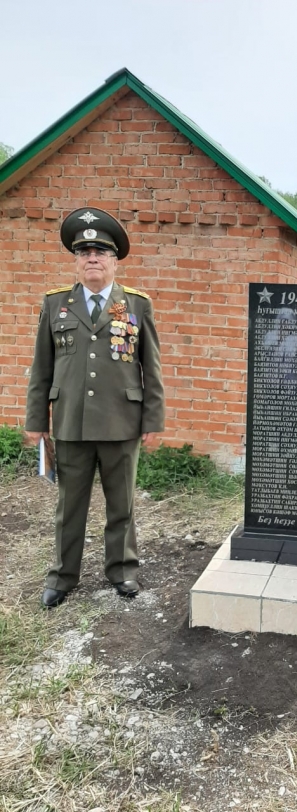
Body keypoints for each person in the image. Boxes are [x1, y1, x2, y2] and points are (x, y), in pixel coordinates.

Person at [25, 207, 165, 608]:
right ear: (75, 261)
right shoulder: (56, 304)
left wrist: (153, 420)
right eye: (84, 252)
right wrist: (36, 421)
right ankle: (62, 576)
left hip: (122, 422)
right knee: (69, 506)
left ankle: (122, 571)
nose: (92, 259)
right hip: (71, 422)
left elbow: (151, 367)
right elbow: (42, 368)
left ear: (114, 261)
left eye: (100, 252)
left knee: (122, 505)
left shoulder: (136, 305)